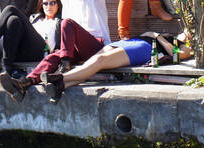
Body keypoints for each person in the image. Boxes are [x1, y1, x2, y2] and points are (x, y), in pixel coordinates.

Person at [0, 0, 110, 100]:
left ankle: (64, 68)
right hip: (75, 50)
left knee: (66, 24)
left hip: (97, 47)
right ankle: (24, 84)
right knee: (52, 56)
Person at [44, 30, 195, 103]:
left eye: (190, 33)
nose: (186, 32)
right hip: (128, 42)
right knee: (94, 62)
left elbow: (178, 55)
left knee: (100, 60)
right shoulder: (168, 35)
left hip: (144, 47)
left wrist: (158, 37)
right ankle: (60, 85)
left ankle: (59, 78)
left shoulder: (183, 46)